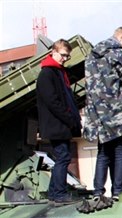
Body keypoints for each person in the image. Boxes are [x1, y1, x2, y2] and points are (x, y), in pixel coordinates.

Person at [83, 27, 122, 201]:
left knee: (104, 152)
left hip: (98, 113)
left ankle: (98, 191)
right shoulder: (118, 53)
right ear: (121, 37)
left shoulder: (92, 55)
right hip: (118, 110)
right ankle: (118, 193)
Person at [35, 39, 82, 206]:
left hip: (60, 124)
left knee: (63, 157)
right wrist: (69, 119)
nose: (65, 59)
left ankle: (55, 192)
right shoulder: (47, 74)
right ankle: (58, 193)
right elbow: (53, 101)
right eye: (63, 55)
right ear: (54, 52)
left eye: (67, 56)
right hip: (57, 124)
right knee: (63, 157)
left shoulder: (58, 73)